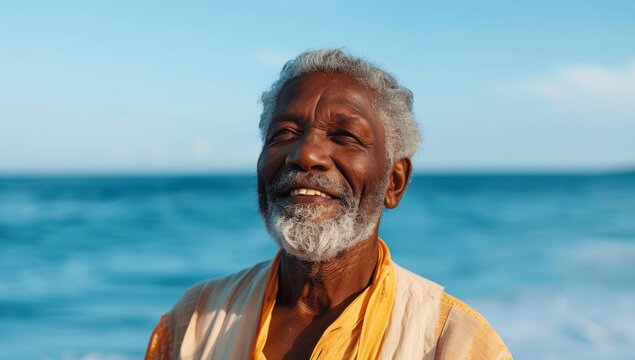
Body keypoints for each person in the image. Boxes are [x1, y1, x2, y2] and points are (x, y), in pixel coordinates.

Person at [145, 48, 512, 360]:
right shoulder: (194, 322)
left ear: (394, 182)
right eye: (284, 133)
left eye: (345, 136)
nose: (306, 154)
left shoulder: (453, 342)